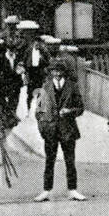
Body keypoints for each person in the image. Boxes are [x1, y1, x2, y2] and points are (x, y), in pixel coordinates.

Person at [34, 59, 86, 202]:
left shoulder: (72, 86)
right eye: (54, 71)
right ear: (51, 72)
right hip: (51, 130)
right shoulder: (45, 87)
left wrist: (70, 111)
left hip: (67, 129)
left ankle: (72, 190)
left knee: (70, 161)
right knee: (49, 161)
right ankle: (46, 190)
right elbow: (38, 111)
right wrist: (43, 128)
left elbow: (81, 108)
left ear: (64, 72)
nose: (56, 74)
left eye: (59, 71)